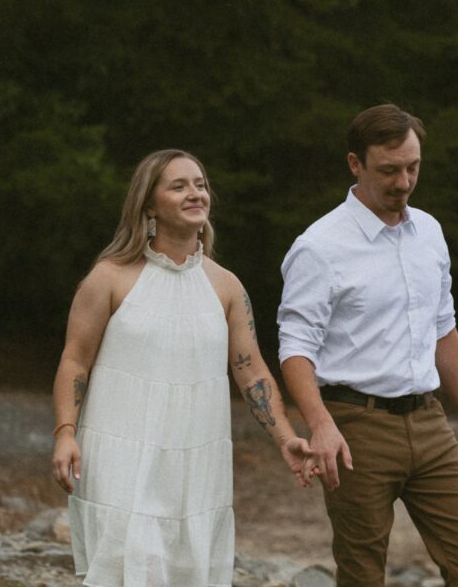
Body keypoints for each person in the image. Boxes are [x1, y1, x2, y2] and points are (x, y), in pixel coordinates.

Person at [52, 148, 313, 587]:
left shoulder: (226, 285)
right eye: (179, 186)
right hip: (120, 452)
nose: (195, 193)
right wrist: (64, 433)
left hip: (196, 458)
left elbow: (251, 371)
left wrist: (286, 438)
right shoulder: (110, 277)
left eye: (200, 184)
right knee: (129, 567)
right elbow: (75, 360)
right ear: (149, 204)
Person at [278, 104, 458, 587]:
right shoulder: (320, 246)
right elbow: (295, 346)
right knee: (361, 573)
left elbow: (444, 329)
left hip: (430, 421)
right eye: (389, 170)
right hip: (356, 427)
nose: (403, 182)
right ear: (355, 164)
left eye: (413, 167)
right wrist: (320, 426)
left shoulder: (430, 233)